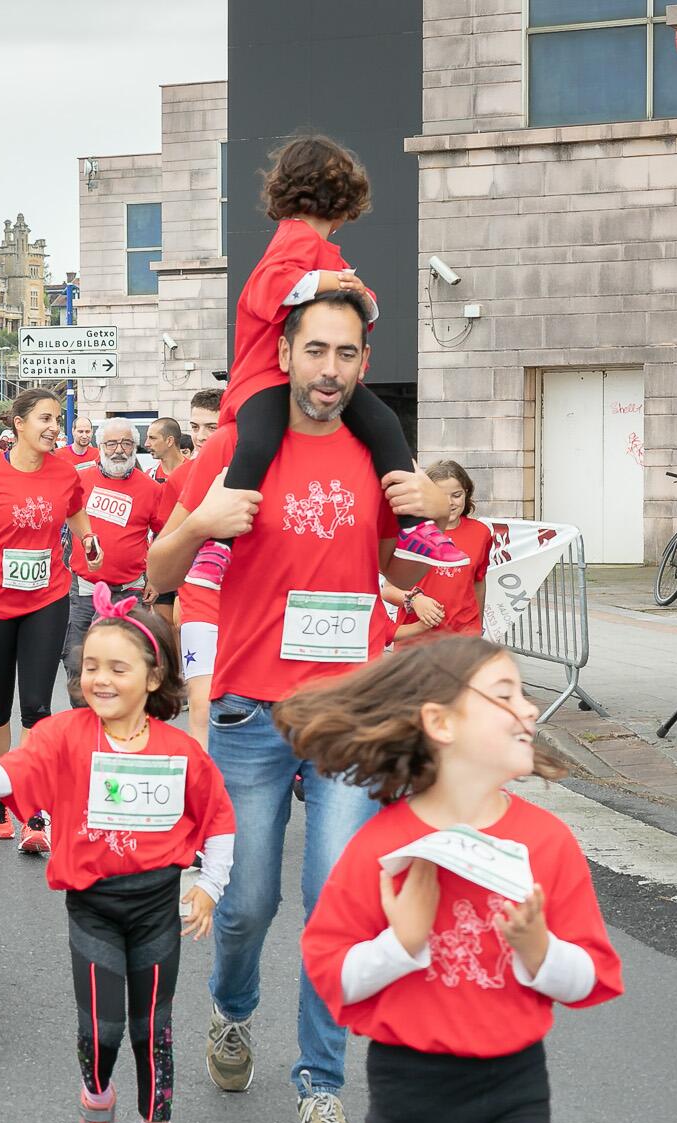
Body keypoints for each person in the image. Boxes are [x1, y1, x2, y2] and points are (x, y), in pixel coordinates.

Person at [145, 291, 439, 1123]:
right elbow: (162, 570)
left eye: (348, 355)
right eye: (317, 351)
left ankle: (319, 1083)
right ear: (288, 353)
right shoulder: (242, 445)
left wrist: (428, 517)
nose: (331, 371)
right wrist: (199, 520)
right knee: (244, 905)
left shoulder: (378, 454)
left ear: (361, 360)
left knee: (338, 904)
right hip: (250, 713)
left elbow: (400, 564)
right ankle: (233, 1011)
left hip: (349, 714)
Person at [281, 637, 624, 1123]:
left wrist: (538, 952)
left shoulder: (548, 841)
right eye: (505, 692)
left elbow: (592, 976)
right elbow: (331, 974)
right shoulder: (384, 844)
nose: (529, 707)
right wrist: (402, 941)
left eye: (525, 692)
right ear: (440, 722)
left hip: (514, 1092)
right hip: (412, 1094)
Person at [0, 590, 233, 1123]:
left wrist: (210, 889)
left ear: (153, 676)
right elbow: (17, 770)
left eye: (118, 668)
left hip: (156, 906)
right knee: (104, 1031)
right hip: (92, 906)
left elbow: (218, 819)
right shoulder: (65, 734)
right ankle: (96, 1096)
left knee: (155, 1030)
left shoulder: (181, 752)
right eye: (90, 666)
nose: (99, 679)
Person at [198, 134, 459, 578]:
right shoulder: (297, 239)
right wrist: (331, 283)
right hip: (266, 377)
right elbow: (267, 290)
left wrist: (349, 289)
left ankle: (413, 523)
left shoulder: (321, 252)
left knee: (383, 423)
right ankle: (218, 545)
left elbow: (359, 306)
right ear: (344, 202)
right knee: (258, 442)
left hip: (304, 378)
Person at [0, 386, 101, 852]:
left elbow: (75, 510)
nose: (53, 426)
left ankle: (33, 810)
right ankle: (0, 796)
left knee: (37, 705)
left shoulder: (63, 472)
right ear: (18, 422)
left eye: (57, 418)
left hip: (47, 596)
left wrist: (89, 540)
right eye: (44, 418)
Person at [63, 417, 170, 683]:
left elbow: (167, 534)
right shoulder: (79, 480)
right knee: (76, 660)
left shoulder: (152, 489)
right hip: (84, 587)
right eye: (111, 444)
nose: (119, 450)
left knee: (121, 660)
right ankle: (85, 721)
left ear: (136, 447)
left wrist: (156, 578)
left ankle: (116, 718)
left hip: (129, 588)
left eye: (126, 443)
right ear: (100, 446)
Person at [387, 460, 490, 646]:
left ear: (467, 493)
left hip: (463, 639)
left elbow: (478, 582)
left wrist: (477, 629)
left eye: (456, 495)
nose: (449, 503)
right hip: (416, 643)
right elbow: (389, 589)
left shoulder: (481, 532)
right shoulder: (410, 532)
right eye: (441, 496)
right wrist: (415, 600)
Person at [175, 389, 225, 745]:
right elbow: (168, 544)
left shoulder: (258, 466)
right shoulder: (180, 478)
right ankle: (204, 792)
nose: (202, 435)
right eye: (195, 426)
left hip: (251, 603)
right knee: (202, 705)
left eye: (212, 426)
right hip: (199, 602)